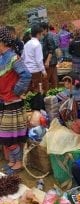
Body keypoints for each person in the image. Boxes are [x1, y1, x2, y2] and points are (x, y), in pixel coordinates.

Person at [0, 26, 32, 174]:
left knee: (8, 137)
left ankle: (18, 162)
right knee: (7, 137)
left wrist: (15, 91)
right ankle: (13, 161)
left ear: (2, 42)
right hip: (4, 102)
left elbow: (26, 75)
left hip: (12, 103)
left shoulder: (13, 57)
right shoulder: (2, 58)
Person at [22, 24, 47, 95]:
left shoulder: (27, 44)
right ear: (38, 34)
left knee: (28, 89)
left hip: (27, 70)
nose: (42, 36)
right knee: (37, 90)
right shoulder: (37, 44)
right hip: (35, 71)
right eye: (41, 34)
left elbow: (23, 57)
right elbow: (39, 60)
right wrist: (43, 71)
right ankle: (37, 105)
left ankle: (28, 104)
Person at [40, 22, 58, 92]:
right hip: (52, 61)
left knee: (45, 78)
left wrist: (47, 61)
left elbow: (51, 50)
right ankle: (55, 92)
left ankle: (47, 93)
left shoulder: (49, 37)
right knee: (53, 78)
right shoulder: (45, 37)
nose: (41, 32)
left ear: (46, 29)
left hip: (50, 61)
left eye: (42, 30)